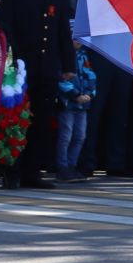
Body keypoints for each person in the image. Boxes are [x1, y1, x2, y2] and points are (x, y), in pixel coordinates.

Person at [0, 0, 72, 188]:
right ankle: (12, 170)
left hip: (47, 66)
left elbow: (62, 31)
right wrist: (12, 61)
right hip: (20, 67)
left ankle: (33, 172)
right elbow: (5, 26)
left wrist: (68, 65)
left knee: (41, 120)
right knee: (17, 119)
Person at [54, 38, 97, 182]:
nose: (78, 41)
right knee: (66, 136)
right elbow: (61, 79)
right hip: (68, 103)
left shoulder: (83, 54)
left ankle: (72, 165)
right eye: (75, 38)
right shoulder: (63, 55)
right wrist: (75, 95)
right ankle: (62, 167)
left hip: (82, 104)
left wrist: (90, 94)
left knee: (80, 136)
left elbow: (90, 75)